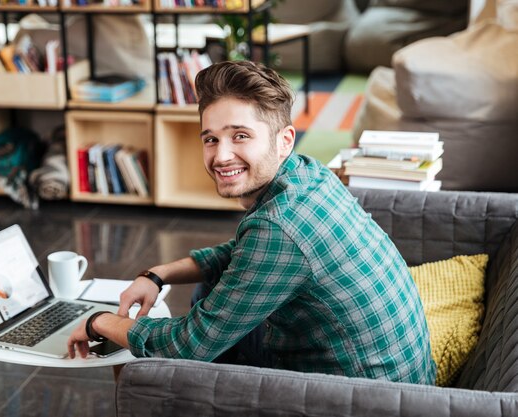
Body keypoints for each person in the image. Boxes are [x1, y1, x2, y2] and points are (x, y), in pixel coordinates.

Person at [67, 60, 436, 384]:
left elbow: (188, 346)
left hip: (363, 397)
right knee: (208, 292)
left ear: (284, 140)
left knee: (159, 363)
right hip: (399, 377)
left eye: (240, 136)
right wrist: (157, 274)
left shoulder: (279, 226)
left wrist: (96, 321)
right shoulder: (310, 174)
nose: (221, 156)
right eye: (210, 139)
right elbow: (246, 254)